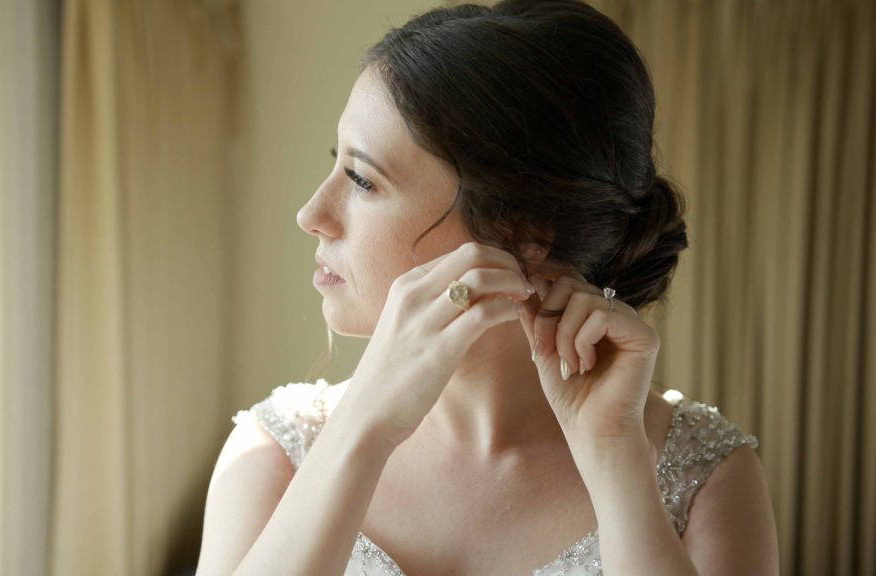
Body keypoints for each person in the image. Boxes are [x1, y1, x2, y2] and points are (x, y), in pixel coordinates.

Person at [196, 1, 779, 574]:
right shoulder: (271, 452)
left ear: (522, 233)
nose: (311, 214)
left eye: (361, 179)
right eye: (337, 164)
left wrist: (616, 460)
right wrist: (362, 427)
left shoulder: (708, 478)